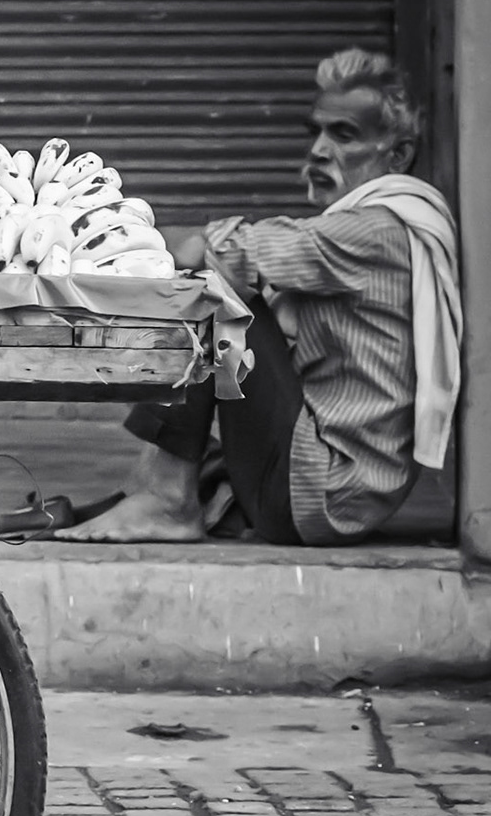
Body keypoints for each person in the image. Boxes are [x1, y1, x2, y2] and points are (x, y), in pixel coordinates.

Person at [57, 48, 460, 545]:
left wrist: (83, 243)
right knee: (223, 291)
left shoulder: (374, 231)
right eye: (314, 131)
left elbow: (210, 252)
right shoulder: (388, 224)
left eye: (344, 135)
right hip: (328, 494)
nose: (318, 150)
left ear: (396, 155)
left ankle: (167, 500)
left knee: (210, 292)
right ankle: (147, 491)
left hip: (318, 495)